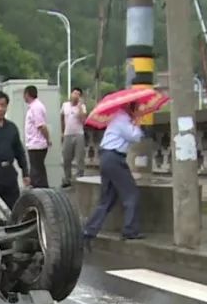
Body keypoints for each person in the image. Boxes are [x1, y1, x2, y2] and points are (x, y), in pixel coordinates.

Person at [82, 101, 148, 241]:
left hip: (107, 157)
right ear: (131, 107)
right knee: (131, 194)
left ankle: (89, 230)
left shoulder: (120, 118)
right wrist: (137, 122)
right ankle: (130, 230)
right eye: (138, 108)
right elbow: (135, 137)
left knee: (108, 199)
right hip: (114, 158)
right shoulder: (122, 119)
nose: (140, 110)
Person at [23, 85, 50, 188]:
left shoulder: (36, 107)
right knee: (38, 169)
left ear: (27, 94)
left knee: (36, 171)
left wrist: (48, 139)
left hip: (37, 144)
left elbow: (41, 126)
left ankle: (39, 190)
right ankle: (41, 188)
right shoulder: (33, 107)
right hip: (34, 143)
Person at [60, 87, 88, 186]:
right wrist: (62, 132)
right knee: (66, 157)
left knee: (79, 157)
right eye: (74, 93)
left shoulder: (82, 106)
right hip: (68, 134)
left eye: (78, 94)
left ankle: (80, 178)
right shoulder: (65, 105)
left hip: (79, 134)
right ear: (71, 94)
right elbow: (62, 118)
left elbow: (83, 121)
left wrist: (80, 106)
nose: (76, 95)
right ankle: (67, 179)